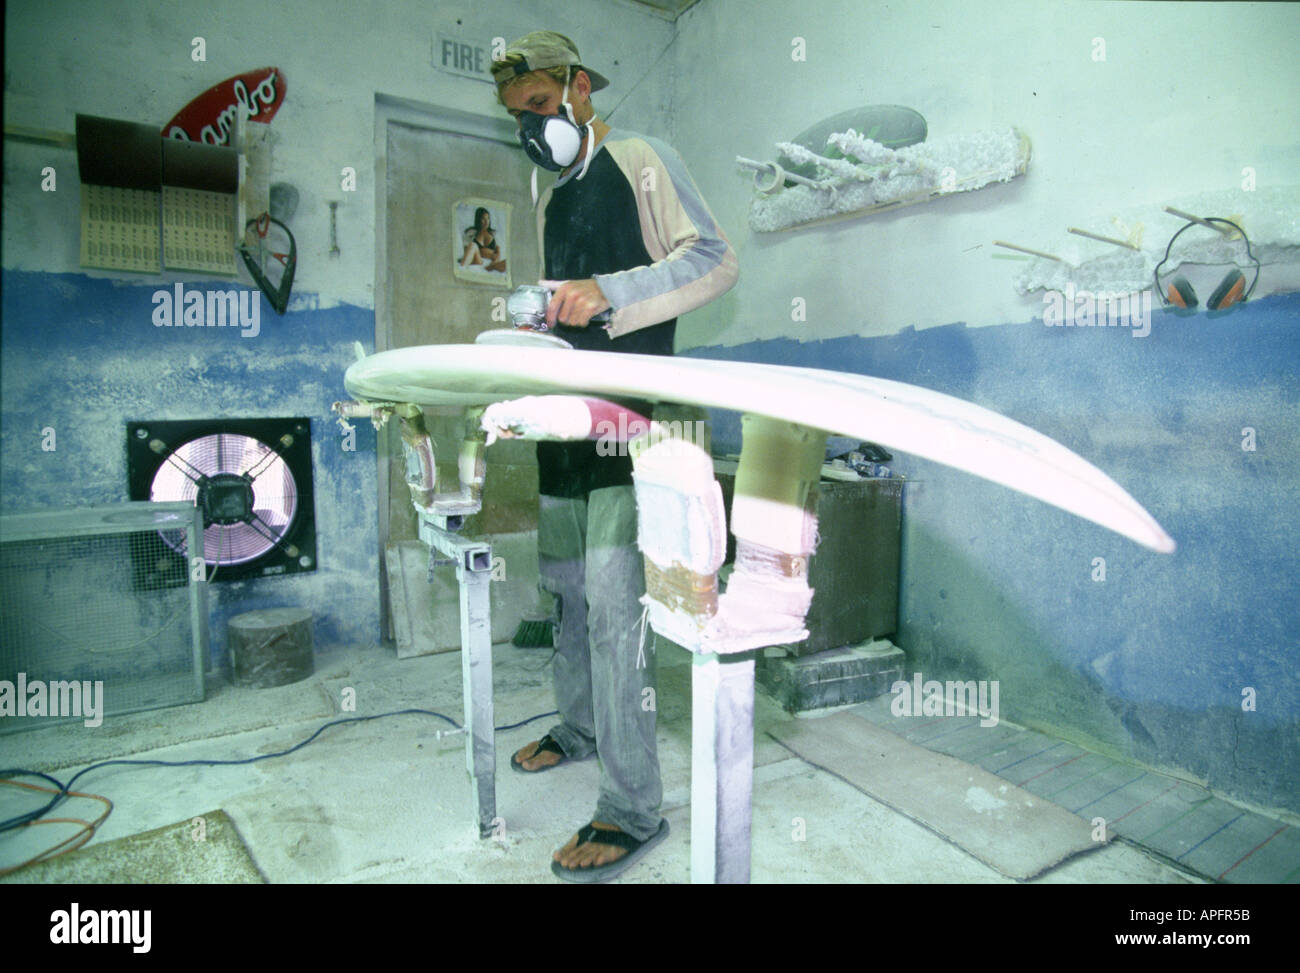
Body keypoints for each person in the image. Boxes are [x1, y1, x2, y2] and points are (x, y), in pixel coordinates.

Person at [491, 30, 737, 882]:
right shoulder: (549, 197)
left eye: (540, 105)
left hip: (628, 424)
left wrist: (612, 293)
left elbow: (714, 258)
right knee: (563, 592)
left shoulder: (640, 160)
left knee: (613, 606)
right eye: (517, 116)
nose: (532, 126)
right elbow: (570, 309)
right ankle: (579, 726)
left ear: (580, 88)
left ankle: (631, 806)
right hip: (565, 422)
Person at [460, 206, 506, 272]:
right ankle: (462, 269)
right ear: (478, 220)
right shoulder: (471, 233)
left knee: (507, 262)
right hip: (478, 260)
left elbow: (498, 254)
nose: (486, 221)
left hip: (491, 264)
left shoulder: (494, 234)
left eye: (488, 218)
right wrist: (486, 253)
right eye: (483, 219)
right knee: (472, 245)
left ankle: (490, 268)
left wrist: (493, 263)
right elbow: (467, 251)